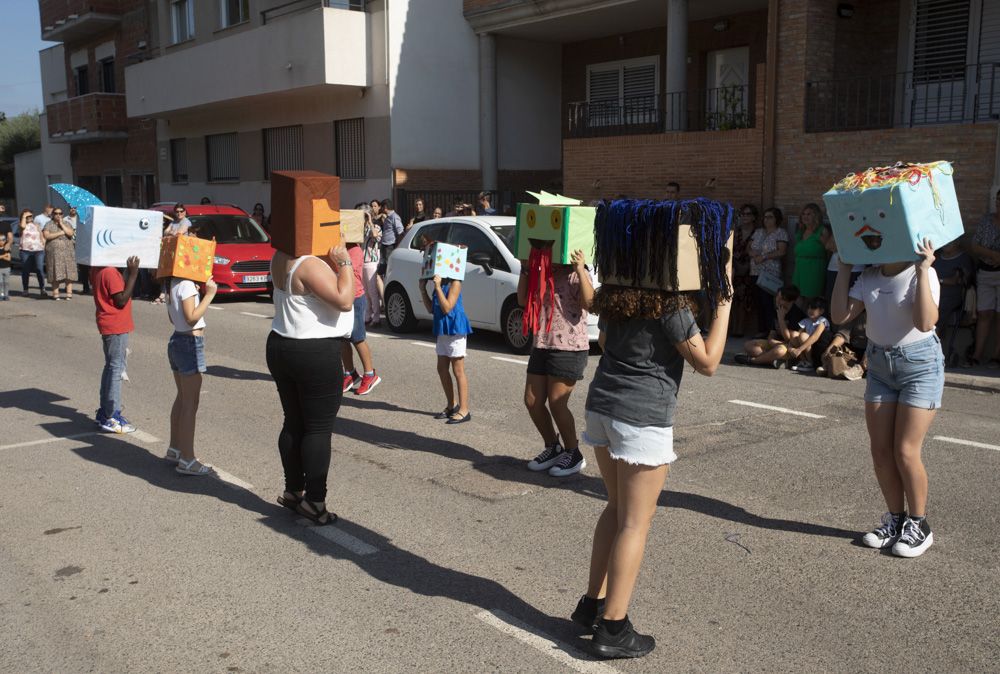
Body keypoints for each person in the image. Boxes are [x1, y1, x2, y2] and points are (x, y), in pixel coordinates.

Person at [575, 276, 733, 659]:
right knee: (634, 522)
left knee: (616, 507)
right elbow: (708, 362)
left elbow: (604, 342)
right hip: (641, 417)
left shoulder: (616, 295)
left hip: (603, 405)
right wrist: (724, 304)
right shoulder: (671, 304)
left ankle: (591, 605)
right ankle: (613, 627)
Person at [832, 238, 942, 557]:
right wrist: (843, 269)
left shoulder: (923, 273)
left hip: (920, 365)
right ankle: (895, 520)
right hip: (880, 365)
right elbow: (840, 315)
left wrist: (923, 270)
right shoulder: (869, 277)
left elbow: (925, 322)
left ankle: (919, 525)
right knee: (881, 451)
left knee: (905, 450)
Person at [266, 243, 355, 526]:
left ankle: (293, 491)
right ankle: (315, 501)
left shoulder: (280, 256)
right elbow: (345, 300)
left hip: (281, 343)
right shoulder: (309, 264)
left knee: (293, 422)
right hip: (313, 350)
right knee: (317, 428)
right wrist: (344, 264)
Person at [519, 249, 595, 477]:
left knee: (557, 403)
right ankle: (553, 446)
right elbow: (522, 300)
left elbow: (590, 303)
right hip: (542, 343)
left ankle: (574, 454)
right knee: (532, 401)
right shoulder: (539, 271)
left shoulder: (574, 271)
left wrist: (580, 269)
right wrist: (525, 268)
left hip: (569, 347)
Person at [164, 271, 218, 475]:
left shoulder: (171, 283)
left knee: (182, 398)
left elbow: (173, 318)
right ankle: (187, 459)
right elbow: (191, 318)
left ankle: (175, 449)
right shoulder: (185, 283)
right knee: (190, 403)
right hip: (189, 342)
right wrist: (209, 294)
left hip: (177, 339)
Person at [92, 256, 140, 434]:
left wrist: (127, 273)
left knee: (111, 367)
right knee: (116, 368)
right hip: (116, 324)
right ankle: (112, 415)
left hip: (109, 323)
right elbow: (120, 300)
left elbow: (117, 291)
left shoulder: (99, 268)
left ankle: (105, 412)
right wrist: (134, 274)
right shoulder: (110, 272)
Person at [420, 272, 472, 424]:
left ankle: (464, 410)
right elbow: (431, 308)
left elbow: (447, 307)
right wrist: (423, 289)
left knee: (458, 370)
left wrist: (437, 287)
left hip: (455, 329)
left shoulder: (455, 283)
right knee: (442, 368)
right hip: (443, 329)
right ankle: (452, 405)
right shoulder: (441, 283)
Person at [341, 241, 382, 396]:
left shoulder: (355, 250)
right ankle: (350, 373)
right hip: (342, 296)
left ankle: (370, 374)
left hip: (355, 298)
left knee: (357, 337)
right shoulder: (340, 247)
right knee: (342, 338)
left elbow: (352, 274)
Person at [735, 285, 806, 368]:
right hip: (776, 344)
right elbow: (772, 333)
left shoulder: (796, 314)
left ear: (790, 301)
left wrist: (781, 319)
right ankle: (774, 360)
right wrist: (771, 340)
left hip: (789, 347)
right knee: (748, 345)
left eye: (782, 299)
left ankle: (753, 361)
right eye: (777, 297)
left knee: (779, 351)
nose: (777, 300)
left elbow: (789, 339)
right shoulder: (778, 309)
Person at [969, 191, 1000, 367]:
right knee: (984, 313)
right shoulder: (986, 221)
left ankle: (996, 355)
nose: (999, 203)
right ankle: (978, 353)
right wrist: (993, 254)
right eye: (998, 200)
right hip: (986, 273)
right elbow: (975, 245)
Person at [932, 239, 974, 366]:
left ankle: (932, 351)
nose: (945, 243)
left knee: (937, 311)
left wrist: (939, 280)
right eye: (945, 241)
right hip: (934, 292)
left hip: (952, 296)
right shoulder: (937, 257)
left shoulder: (964, 258)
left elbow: (956, 280)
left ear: (958, 242)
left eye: (950, 241)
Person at [749, 207, 789, 335]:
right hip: (755, 271)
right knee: (758, 302)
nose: (766, 219)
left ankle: (771, 331)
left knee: (768, 302)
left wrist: (764, 256)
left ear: (777, 218)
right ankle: (761, 330)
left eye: (770, 217)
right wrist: (752, 254)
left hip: (770, 273)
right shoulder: (758, 232)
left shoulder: (780, 232)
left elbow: (782, 251)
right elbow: (748, 247)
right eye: (765, 217)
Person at [731, 204, 760, 337]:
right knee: (733, 299)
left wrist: (746, 266)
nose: (745, 217)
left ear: (754, 217)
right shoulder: (735, 231)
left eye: (748, 214)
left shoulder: (757, 232)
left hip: (750, 269)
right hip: (734, 269)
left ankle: (740, 329)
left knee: (744, 300)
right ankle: (732, 327)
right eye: (743, 214)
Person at [791, 203, 828, 305]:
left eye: (809, 214)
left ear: (816, 216)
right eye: (803, 214)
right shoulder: (800, 232)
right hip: (799, 270)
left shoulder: (822, 231)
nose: (805, 216)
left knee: (811, 303)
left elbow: (829, 250)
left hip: (814, 270)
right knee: (797, 300)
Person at [785, 297, 830, 373]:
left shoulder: (822, 321)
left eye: (813, 308)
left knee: (803, 336)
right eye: (809, 308)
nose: (810, 310)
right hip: (806, 347)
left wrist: (799, 349)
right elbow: (796, 335)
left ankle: (810, 363)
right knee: (794, 334)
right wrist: (790, 347)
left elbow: (815, 337)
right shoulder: (806, 321)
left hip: (818, 347)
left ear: (821, 311)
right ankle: (804, 361)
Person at [42, 207, 78, 300]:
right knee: (55, 271)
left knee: (68, 271)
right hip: (54, 253)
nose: (58, 215)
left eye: (60, 213)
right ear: (53, 214)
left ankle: (69, 293)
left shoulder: (66, 223)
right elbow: (47, 236)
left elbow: (70, 233)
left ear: (62, 214)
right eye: (56, 213)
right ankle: (55, 293)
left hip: (67, 251)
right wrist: (61, 233)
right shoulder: (48, 224)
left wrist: (62, 224)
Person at [361, 206, 383, 326]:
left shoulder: (376, 227)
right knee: (365, 292)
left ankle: (376, 318)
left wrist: (370, 220)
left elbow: (375, 236)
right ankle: (367, 316)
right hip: (362, 261)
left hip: (371, 262)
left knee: (372, 291)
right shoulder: (361, 228)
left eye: (365, 215)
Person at [18, 209, 46, 297]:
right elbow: (22, 226)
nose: (30, 217)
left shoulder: (36, 225)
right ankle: (25, 289)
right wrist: (24, 216)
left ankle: (42, 289)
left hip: (38, 250)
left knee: (39, 269)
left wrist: (43, 243)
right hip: (25, 251)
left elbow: (41, 236)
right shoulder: (21, 225)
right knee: (26, 270)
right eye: (27, 216)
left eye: (31, 216)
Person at [379, 199, 405, 275]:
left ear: (385, 207)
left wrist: (398, 246)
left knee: (388, 268)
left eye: (382, 207)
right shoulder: (387, 217)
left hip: (390, 246)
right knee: (383, 267)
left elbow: (401, 232)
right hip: (384, 245)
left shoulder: (395, 217)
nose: (381, 209)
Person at [0, 214, 11, 300]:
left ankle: (6, 295)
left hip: (6, 267)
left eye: (3, 239)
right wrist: (4, 256)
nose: (2, 241)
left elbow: (9, 258)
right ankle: (1, 294)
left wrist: (2, 256)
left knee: (6, 282)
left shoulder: (7, 248)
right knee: (0, 282)